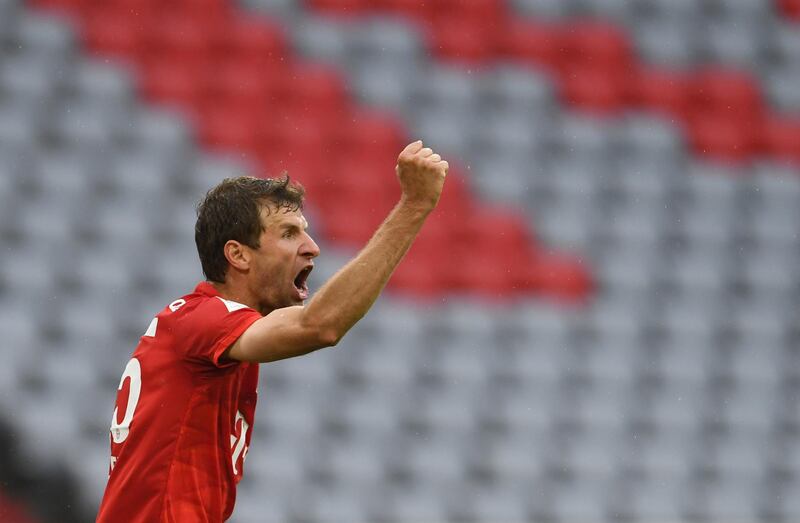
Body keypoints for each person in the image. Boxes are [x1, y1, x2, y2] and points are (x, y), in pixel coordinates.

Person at [96, 140, 448, 522]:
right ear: (239, 255)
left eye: (305, 231)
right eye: (288, 233)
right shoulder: (203, 320)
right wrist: (413, 206)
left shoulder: (207, 330)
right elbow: (320, 326)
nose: (312, 247)